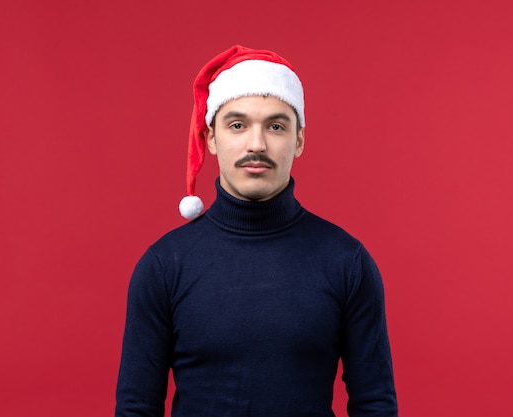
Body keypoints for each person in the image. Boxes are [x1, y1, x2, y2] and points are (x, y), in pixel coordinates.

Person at [115, 45, 398, 417]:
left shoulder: (348, 262)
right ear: (211, 138)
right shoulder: (164, 266)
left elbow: (374, 404)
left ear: (299, 140)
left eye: (276, 126)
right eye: (237, 125)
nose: (257, 144)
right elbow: (137, 407)